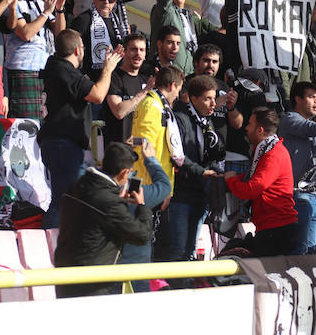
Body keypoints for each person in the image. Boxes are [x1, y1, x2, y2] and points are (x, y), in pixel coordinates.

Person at [39, 29, 122, 228]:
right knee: (64, 200)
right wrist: (108, 69)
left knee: (72, 199)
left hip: (65, 143)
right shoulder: (63, 70)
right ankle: (51, 250)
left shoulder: (60, 68)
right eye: (83, 47)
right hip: (62, 143)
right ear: (77, 50)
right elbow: (97, 95)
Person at [54, 142, 151, 298]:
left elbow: (95, 219)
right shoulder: (109, 203)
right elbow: (142, 235)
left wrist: (118, 202)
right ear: (125, 173)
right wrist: (142, 206)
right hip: (92, 282)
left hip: (65, 273)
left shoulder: (76, 187)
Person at [158, 75, 225, 263]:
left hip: (201, 195)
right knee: (177, 249)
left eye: (214, 98)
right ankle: (174, 289)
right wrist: (201, 171)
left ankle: (186, 287)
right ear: (194, 99)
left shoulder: (208, 122)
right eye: (208, 98)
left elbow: (213, 155)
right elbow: (177, 155)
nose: (214, 103)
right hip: (181, 195)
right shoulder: (180, 119)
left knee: (190, 251)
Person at [223, 107, 298, 257]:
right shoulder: (268, 150)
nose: (246, 128)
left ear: (260, 130)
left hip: (276, 228)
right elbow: (254, 178)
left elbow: (253, 188)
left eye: (250, 124)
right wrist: (235, 178)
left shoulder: (273, 154)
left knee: (267, 277)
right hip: (272, 226)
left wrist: (230, 180)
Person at [5, 0, 66, 119]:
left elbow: (60, 34)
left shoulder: (41, 4)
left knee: (43, 123)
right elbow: (25, 33)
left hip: (43, 69)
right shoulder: (14, 1)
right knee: (25, 123)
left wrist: (59, 10)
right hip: (22, 69)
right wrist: (46, 13)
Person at [119, 139, 171, 291]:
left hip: (107, 272)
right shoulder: (138, 193)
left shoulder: (96, 191)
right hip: (137, 273)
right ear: (126, 172)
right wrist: (151, 159)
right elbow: (164, 185)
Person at [279, 81, 316, 255]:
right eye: (311, 97)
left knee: (310, 249)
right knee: (299, 247)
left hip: (314, 196)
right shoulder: (290, 119)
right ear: (298, 99)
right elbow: (311, 129)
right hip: (297, 195)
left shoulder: (314, 127)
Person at [131, 64, 186, 195]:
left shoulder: (159, 106)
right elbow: (144, 145)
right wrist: (157, 190)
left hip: (156, 183)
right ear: (172, 86)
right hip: (149, 186)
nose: (178, 95)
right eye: (178, 90)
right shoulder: (152, 106)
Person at [150, 0, 216, 75]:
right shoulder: (166, 12)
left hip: (189, 75)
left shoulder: (190, 16)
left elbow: (215, 31)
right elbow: (164, 0)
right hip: (169, 73)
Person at [70, 0, 129, 81]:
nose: (106, 2)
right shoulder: (83, 20)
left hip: (114, 78)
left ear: (115, 2)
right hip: (89, 79)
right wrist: (82, 75)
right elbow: (72, 50)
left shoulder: (117, 22)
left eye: (111, 0)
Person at [103, 33, 152, 145]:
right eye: (133, 49)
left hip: (139, 150)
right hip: (118, 152)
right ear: (124, 52)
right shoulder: (114, 77)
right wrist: (144, 92)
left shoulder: (146, 81)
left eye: (141, 50)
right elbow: (119, 112)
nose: (138, 54)